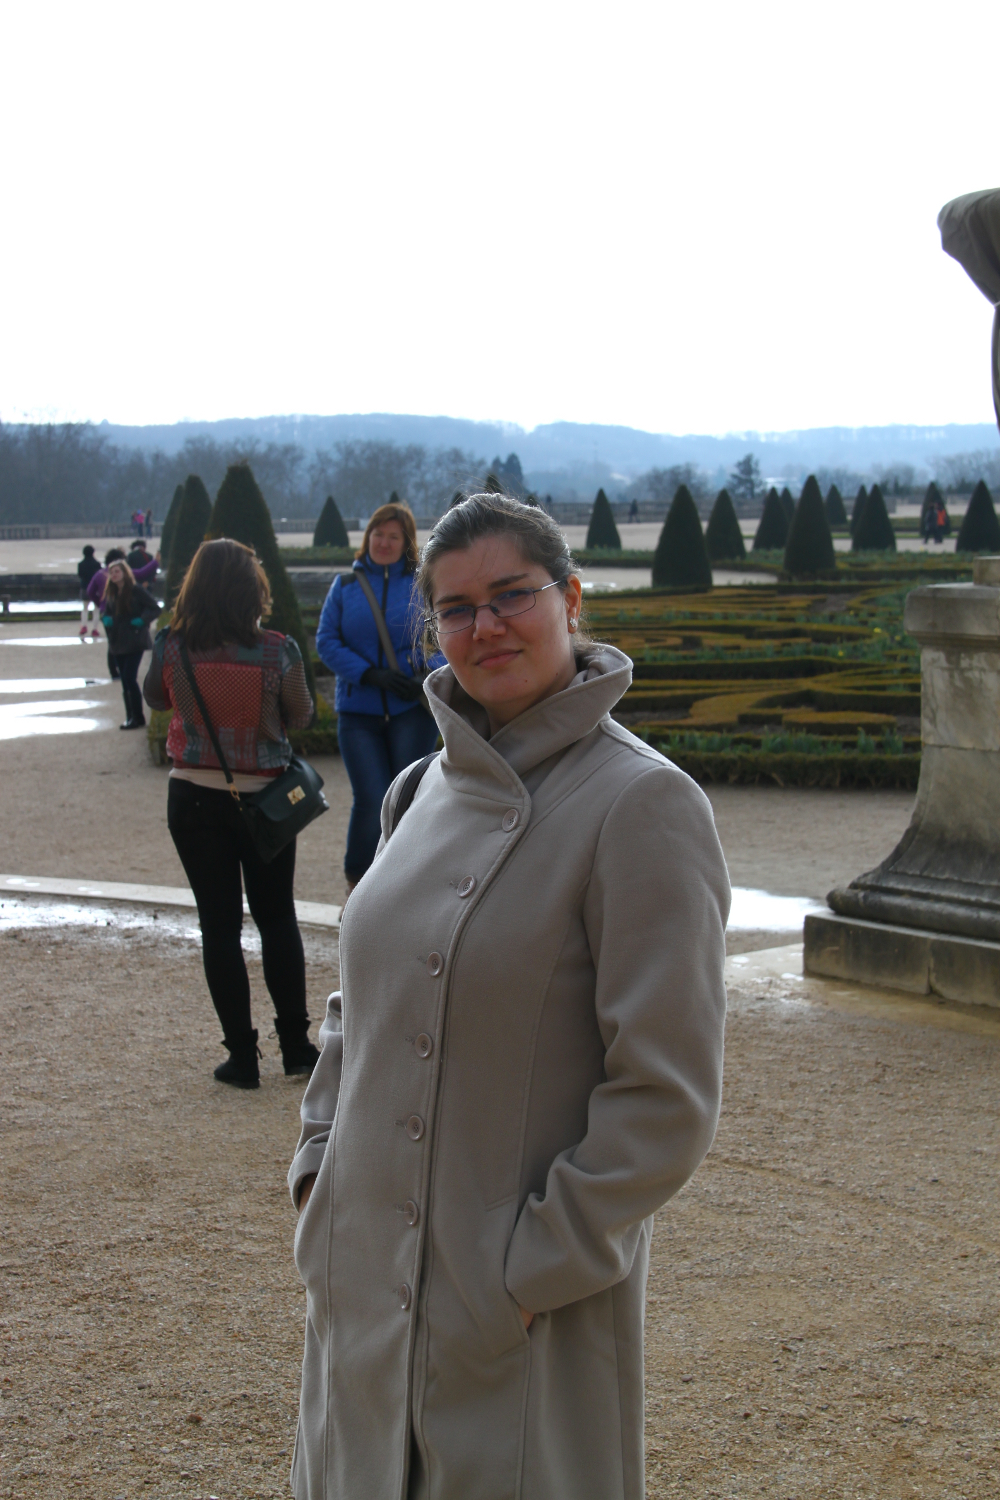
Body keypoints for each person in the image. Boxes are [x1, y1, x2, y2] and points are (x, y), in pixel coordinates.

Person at [288, 493, 730, 1500]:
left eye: (510, 596)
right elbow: (356, 1011)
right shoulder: (413, 791)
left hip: (513, 1314)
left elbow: (664, 1097)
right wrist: (318, 1176)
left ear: (570, 599)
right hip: (358, 1284)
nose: (483, 627)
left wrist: (526, 1271)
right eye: (454, 608)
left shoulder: (641, 804)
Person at [143, 538, 320, 1088]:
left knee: (218, 926)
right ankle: (295, 1047)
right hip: (264, 800)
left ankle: (242, 1059)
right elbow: (304, 715)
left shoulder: (173, 644)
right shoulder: (277, 649)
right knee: (276, 919)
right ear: (253, 588)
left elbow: (154, 699)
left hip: (194, 795)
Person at [315, 500, 442, 892]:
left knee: (407, 800)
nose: (383, 542)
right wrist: (370, 674)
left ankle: (403, 887)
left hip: (410, 708)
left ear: (406, 543)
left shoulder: (423, 584)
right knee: (370, 799)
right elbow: (326, 642)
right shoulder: (346, 586)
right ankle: (357, 887)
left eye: (393, 536)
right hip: (359, 710)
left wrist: (420, 673)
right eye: (378, 534)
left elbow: (446, 636)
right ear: (367, 536)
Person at [100, 560, 160, 728]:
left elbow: (155, 608)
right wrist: (106, 619)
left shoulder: (136, 590)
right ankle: (131, 717)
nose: (114, 575)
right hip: (118, 641)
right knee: (125, 681)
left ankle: (137, 717)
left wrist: (142, 620)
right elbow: (107, 612)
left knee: (129, 677)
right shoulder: (111, 593)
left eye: (117, 571)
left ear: (125, 573)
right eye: (112, 573)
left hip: (134, 640)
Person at [77, 545, 101, 638]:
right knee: (96, 610)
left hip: (84, 587)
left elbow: (80, 575)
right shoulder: (97, 564)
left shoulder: (81, 564)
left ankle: (84, 626)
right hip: (95, 588)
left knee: (85, 608)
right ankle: (95, 629)